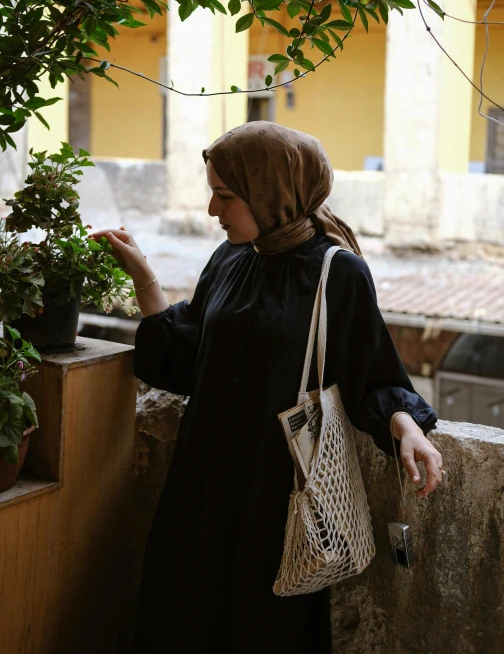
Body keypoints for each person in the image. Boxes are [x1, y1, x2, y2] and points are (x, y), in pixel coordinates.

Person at [91, 120, 442, 654]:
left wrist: (406, 427)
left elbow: (371, 372)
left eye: (225, 195)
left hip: (274, 494)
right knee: (179, 612)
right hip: (201, 482)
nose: (214, 210)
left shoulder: (336, 271)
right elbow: (186, 356)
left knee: (261, 625)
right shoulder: (231, 258)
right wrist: (144, 276)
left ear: (273, 190)